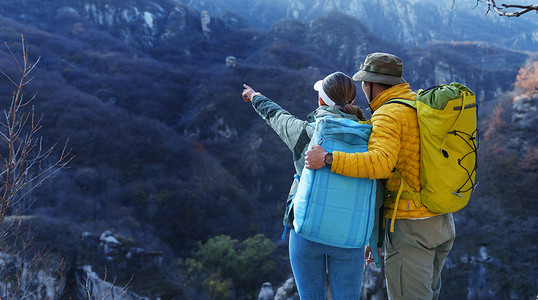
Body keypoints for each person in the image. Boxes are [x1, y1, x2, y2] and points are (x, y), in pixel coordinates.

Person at [304, 53, 456, 300]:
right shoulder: (417, 102)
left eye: (364, 83)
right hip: (441, 220)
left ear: (371, 84)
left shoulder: (388, 114)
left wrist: (329, 159)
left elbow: (380, 165)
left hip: (411, 227)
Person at [242, 71, 367, 300]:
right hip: (352, 237)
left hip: (308, 231)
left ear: (321, 101)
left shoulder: (307, 134)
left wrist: (254, 96)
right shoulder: (369, 137)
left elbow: (277, 116)